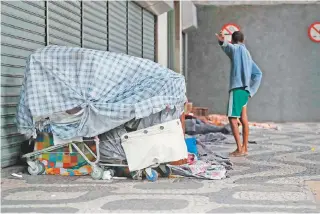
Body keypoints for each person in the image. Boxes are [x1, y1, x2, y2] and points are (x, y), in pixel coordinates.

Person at [215, 31, 262, 157]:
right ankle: (245, 148)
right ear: (243, 40)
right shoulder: (247, 54)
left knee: (232, 118)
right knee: (244, 119)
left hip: (236, 89)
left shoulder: (235, 49)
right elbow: (258, 74)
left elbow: (228, 47)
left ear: (233, 40)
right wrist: (251, 90)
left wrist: (221, 41)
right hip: (245, 90)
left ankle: (239, 149)